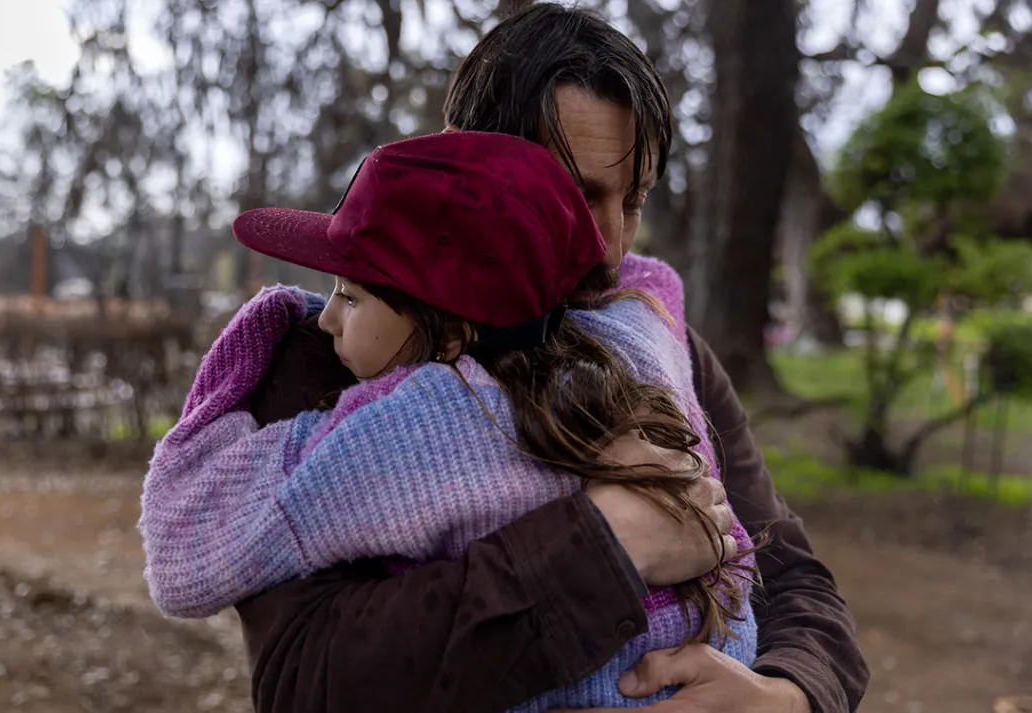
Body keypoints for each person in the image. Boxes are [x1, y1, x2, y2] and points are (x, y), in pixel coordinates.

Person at [237, 5, 868, 713]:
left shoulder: (662, 343)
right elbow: (302, 681)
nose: (609, 245)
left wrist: (783, 694)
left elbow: (794, 574)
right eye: (573, 195)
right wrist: (608, 544)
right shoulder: (340, 358)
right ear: (466, 163)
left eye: (632, 199)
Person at [141, 130, 758, 710]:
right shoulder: (632, 348)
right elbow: (656, 287)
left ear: (452, 336)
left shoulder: (416, 430)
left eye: (352, 297)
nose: (324, 320)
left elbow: (187, 555)